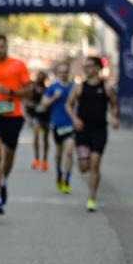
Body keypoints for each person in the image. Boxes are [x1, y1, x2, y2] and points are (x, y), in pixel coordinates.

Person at [0, 34, 32, 216]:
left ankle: (3, 180)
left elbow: (28, 90)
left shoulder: (18, 65)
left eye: (1, 46)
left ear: (6, 46)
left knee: (8, 157)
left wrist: (10, 91)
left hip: (13, 116)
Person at [65, 56, 119, 212]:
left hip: (99, 131)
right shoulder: (79, 88)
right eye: (85, 66)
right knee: (84, 167)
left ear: (97, 68)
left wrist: (114, 117)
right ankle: (86, 172)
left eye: (89, 66)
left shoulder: (106, 87)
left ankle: (92, 198)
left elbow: (114, 104)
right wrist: (75, 119)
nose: (86, 69)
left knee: (95, 163)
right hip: (82, 132)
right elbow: (68, 104)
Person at [39, 61, 76, 193]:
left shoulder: (74, 87)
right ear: (57, 73)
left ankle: (67, 179)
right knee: (59, 153)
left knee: (69, 151)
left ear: (69, 72)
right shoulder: (53, 87)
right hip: (57, 124)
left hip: (71, 124)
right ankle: (59, 173)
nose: (64, 74)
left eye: (66, 71)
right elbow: (43, 104)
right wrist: (54, 97)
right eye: (61, 72)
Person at [28, 70, 50, 172]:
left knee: (45, 139)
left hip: (45, 117)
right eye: (39, 76)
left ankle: (44, 160)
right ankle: (36, 158)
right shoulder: (33, 88)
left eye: (42, 76)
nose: (40, 78)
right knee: (36, 137)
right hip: (36, 116)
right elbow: (27, 101)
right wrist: (32, 105)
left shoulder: (47, 89)